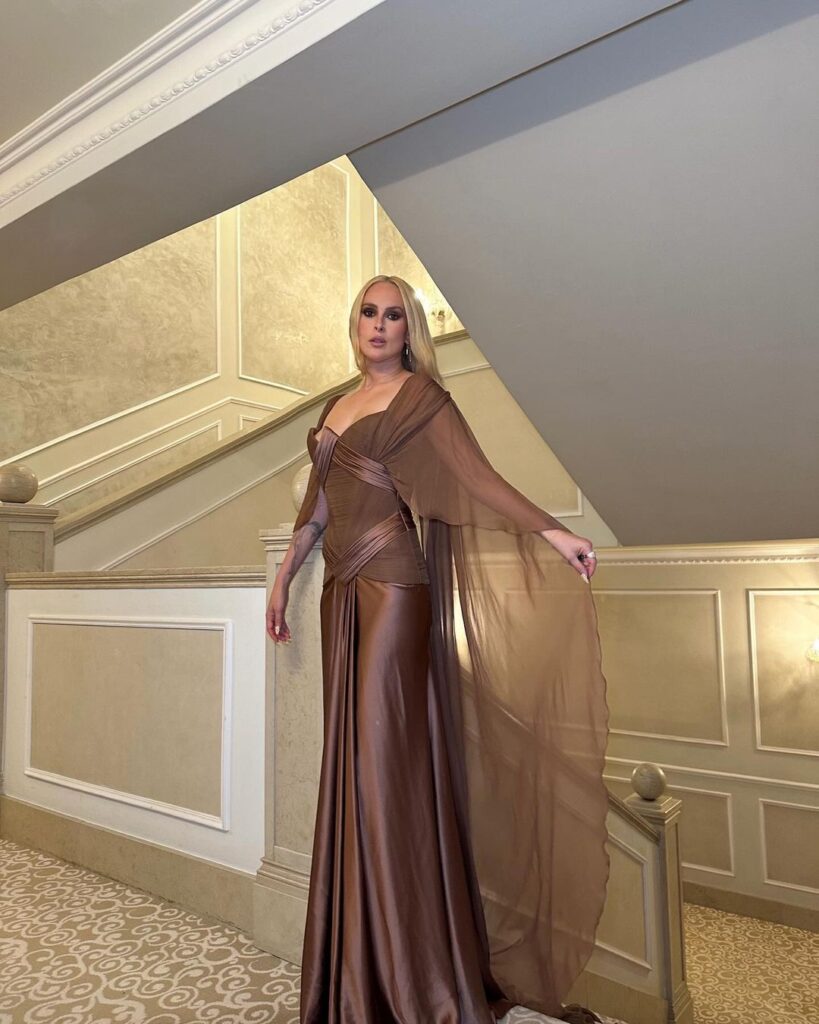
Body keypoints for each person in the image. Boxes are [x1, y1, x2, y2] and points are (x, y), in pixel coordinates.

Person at [266, 275, 609, 1024]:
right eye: (369, 312)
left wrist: (553, 531)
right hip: (338, 593)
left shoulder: (421, 399)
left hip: (393, 588)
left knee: (384, 766)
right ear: (354, 322)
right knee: (351, 765)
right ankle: (361, 960)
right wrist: (283, 578)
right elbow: (316, 508)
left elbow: (478, 481)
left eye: (394, 315)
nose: (379, 325)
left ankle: (408, 970)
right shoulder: (334, 407)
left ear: (409, 329)